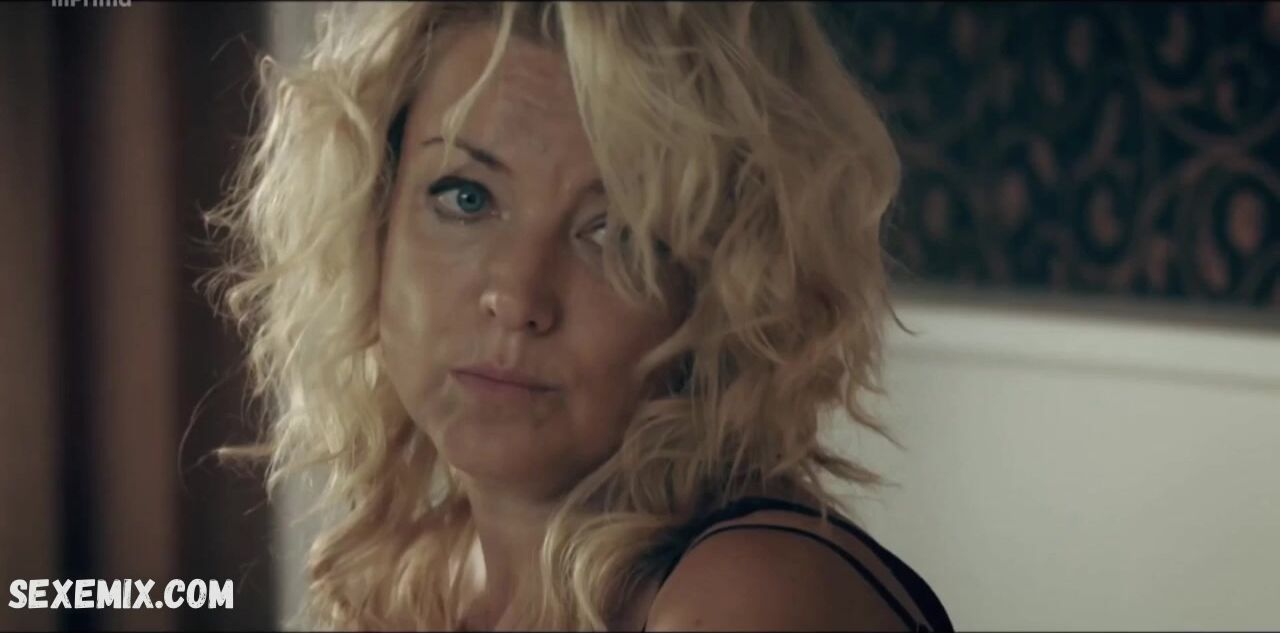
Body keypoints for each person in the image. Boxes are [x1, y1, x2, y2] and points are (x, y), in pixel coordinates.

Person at [205, 2, 953, 630]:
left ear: (727, 286)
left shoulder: (745, 595)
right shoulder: (420, 577)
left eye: (616, 232)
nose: (518, 298)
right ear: (375, 217)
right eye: (466, 197)